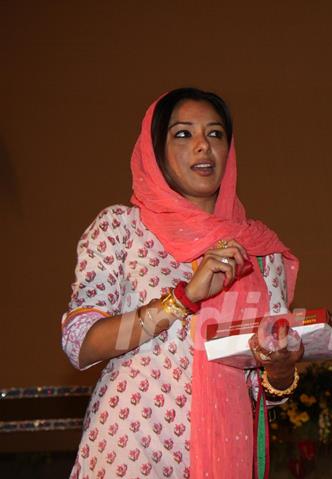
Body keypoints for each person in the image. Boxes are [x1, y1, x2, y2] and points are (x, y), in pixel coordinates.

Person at [61, 87, 302, 478]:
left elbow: (263, 392)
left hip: (227, 448)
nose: (203, 146)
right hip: (133, 447)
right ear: (155, 150)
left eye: (215, 134)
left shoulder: (259, 251)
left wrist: (279, 371)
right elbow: (82, 345)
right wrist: (184, 298)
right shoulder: (120, 228)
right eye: (183, 134)